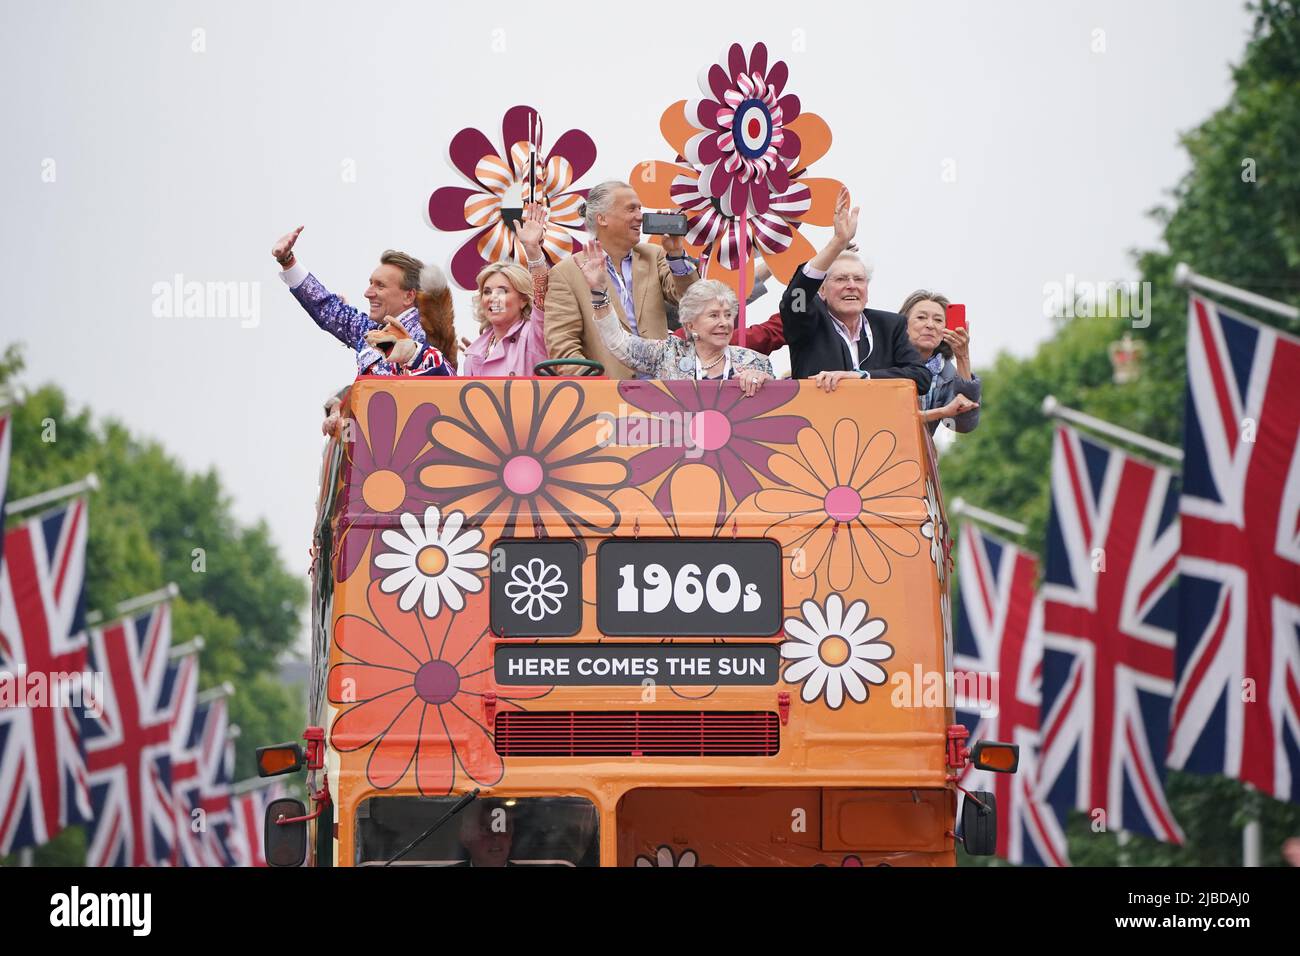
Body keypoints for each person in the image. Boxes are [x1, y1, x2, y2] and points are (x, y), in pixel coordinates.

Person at [778, 188, 930, 394]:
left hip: (877, 424)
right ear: (822, 290)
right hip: (818, 423)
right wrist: (837, 243)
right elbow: (797, 294)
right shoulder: (809, 322)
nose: (851, 285)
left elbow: (921, 378)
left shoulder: (890, 326)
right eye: (841, 279)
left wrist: (862, 377)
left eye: (859, 279)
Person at [544, 181, 699, 379]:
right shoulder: (567, 273)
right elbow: (563, 346)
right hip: (607, 396)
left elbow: (694, 303)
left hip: (663, 391)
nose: (640, 217)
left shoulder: (655, 256)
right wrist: (598, 387)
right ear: (602, 218)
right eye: (631, 209)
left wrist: (676, 255)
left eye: (640, 209)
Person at [583, 254, 771, 395]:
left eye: (728, 315)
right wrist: (599, 293)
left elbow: (777, 406)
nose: (724, 323)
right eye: (713, 316)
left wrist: (766, 382)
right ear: (691, 325)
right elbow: (618, 343)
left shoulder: (755, 362)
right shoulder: (667, 354)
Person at [271, 227, 445, 375]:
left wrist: (413, 355)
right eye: (371, 284)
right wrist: (288, 261)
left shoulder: (430, 335)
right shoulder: (372, 331)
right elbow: (328, 310)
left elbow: (445, 385)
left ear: (409, 296)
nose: (368, 293)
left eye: (380, 286)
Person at [459, 202, 551, 376]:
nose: (493, 297)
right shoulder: (474, 353)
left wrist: (532, 250)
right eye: (487, 292)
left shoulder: (534, 335)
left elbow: (542, 295)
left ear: (523, 299)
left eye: (502, 291)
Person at [898, 290, 981, 434]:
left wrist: (963, 357)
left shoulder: (946, 374)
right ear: (903, 325)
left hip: (918, 455)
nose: (930, 325)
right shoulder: (885, 360)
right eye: (921, 317)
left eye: (938, 320)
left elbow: (963, 424)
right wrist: (942, 412)